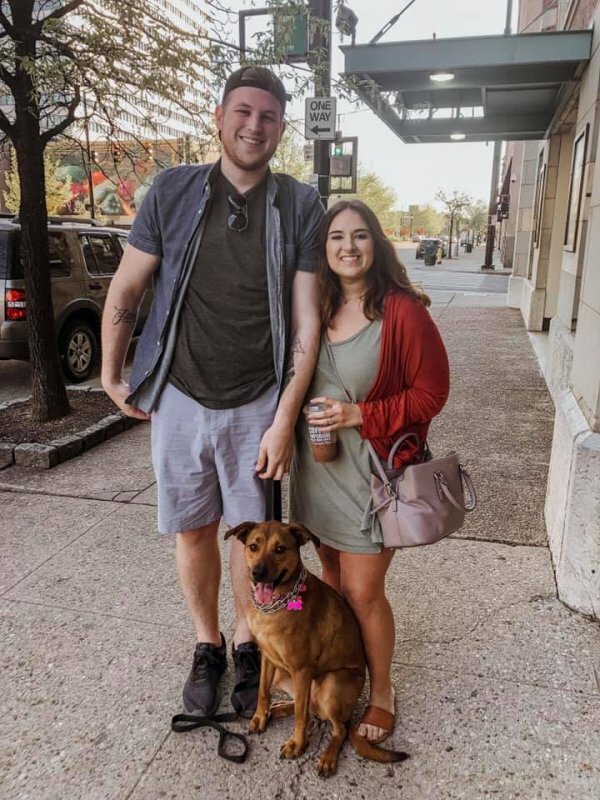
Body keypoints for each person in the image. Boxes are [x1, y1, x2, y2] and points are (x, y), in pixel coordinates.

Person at [101, 66, 323, 719]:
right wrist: (113, 374)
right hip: (180, 394)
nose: (255, 126)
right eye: (244, 112)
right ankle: (208, 646)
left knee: (249, 536)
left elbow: (307, 322)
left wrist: (283, 421)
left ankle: (252, 641)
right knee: (193, 531)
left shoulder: (300, 205)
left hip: (258, 398)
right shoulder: (171, 191)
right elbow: (127, 288)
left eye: (268, 117)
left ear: (281, 128)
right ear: (220, 116)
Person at [290, 200, 449, 744]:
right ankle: (343, 670)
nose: (348, 247)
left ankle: (382, 691)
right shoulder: (316, 304)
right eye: (337, 237)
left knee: (362, 592)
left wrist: (362, 413)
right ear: (325, 248)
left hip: (374, 479)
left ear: (376, 244)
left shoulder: (403, 312)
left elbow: (433, 394)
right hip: (318, 472)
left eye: (359, 236)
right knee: (332, 586)